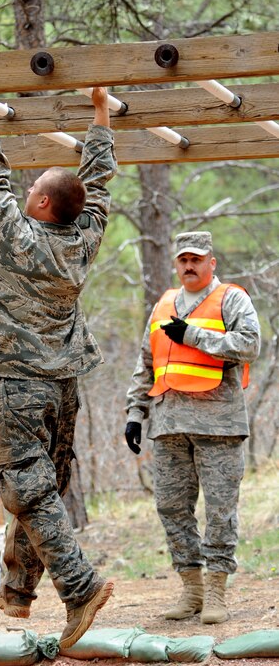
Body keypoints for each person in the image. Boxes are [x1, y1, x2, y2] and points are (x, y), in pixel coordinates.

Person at [0, 87, 116, 651]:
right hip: (62, 383)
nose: (25, 192)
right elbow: (96, 182)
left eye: (34, 190)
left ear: (46, 205)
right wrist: (101, 112)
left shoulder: (17, 237)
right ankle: (19, 588)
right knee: (40, 486)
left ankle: (80, 589)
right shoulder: (84, 235)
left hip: (20, 382)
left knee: (27, 490)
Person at [125, 232, 260, 624]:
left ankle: (217, 591)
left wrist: (194, 336)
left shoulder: (232, 298)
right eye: (183, 259)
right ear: (175, 263)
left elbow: (250, 345)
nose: (189, 265)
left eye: (196, 259)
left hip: (218, 424)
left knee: (219, 511)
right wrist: (136, 412)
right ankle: (192, 590)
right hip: (168, 424)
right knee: (171, 507)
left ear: (211, 263)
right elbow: (146, 361)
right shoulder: (164, 304)